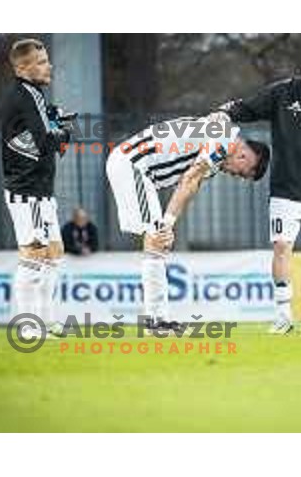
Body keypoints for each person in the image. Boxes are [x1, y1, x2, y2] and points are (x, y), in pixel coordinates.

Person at [220, 48, 301, 334]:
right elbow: (249, 107)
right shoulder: (283, 92)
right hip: (285, 190)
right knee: (282, 248)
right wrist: (223, 113)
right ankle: (282, 316)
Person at [106, 115, 270, 335]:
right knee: (157, 239)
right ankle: (155, 321)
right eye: (240, 173)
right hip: (132, 165)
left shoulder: (218, 151)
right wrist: (168, 223)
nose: (234, 176)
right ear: (243, 156)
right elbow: (189, 179)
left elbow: (193, 184)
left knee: (158, 241)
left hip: (136, 168)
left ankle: (157, 319)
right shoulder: (221, 141)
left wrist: (168, 223)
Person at [2, 38, 75, 340]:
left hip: (41, 190)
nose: (49, 65)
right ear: (23, 67)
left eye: (47, 59)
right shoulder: (25, 95)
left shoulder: (35, 95)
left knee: (54, 255)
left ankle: (47, 321)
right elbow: (47, 143)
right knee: (34, 256)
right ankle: (28, 326)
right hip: (26, 190)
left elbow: (39, 130)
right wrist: (64, 134)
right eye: (42, 61)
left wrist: (55, 119)